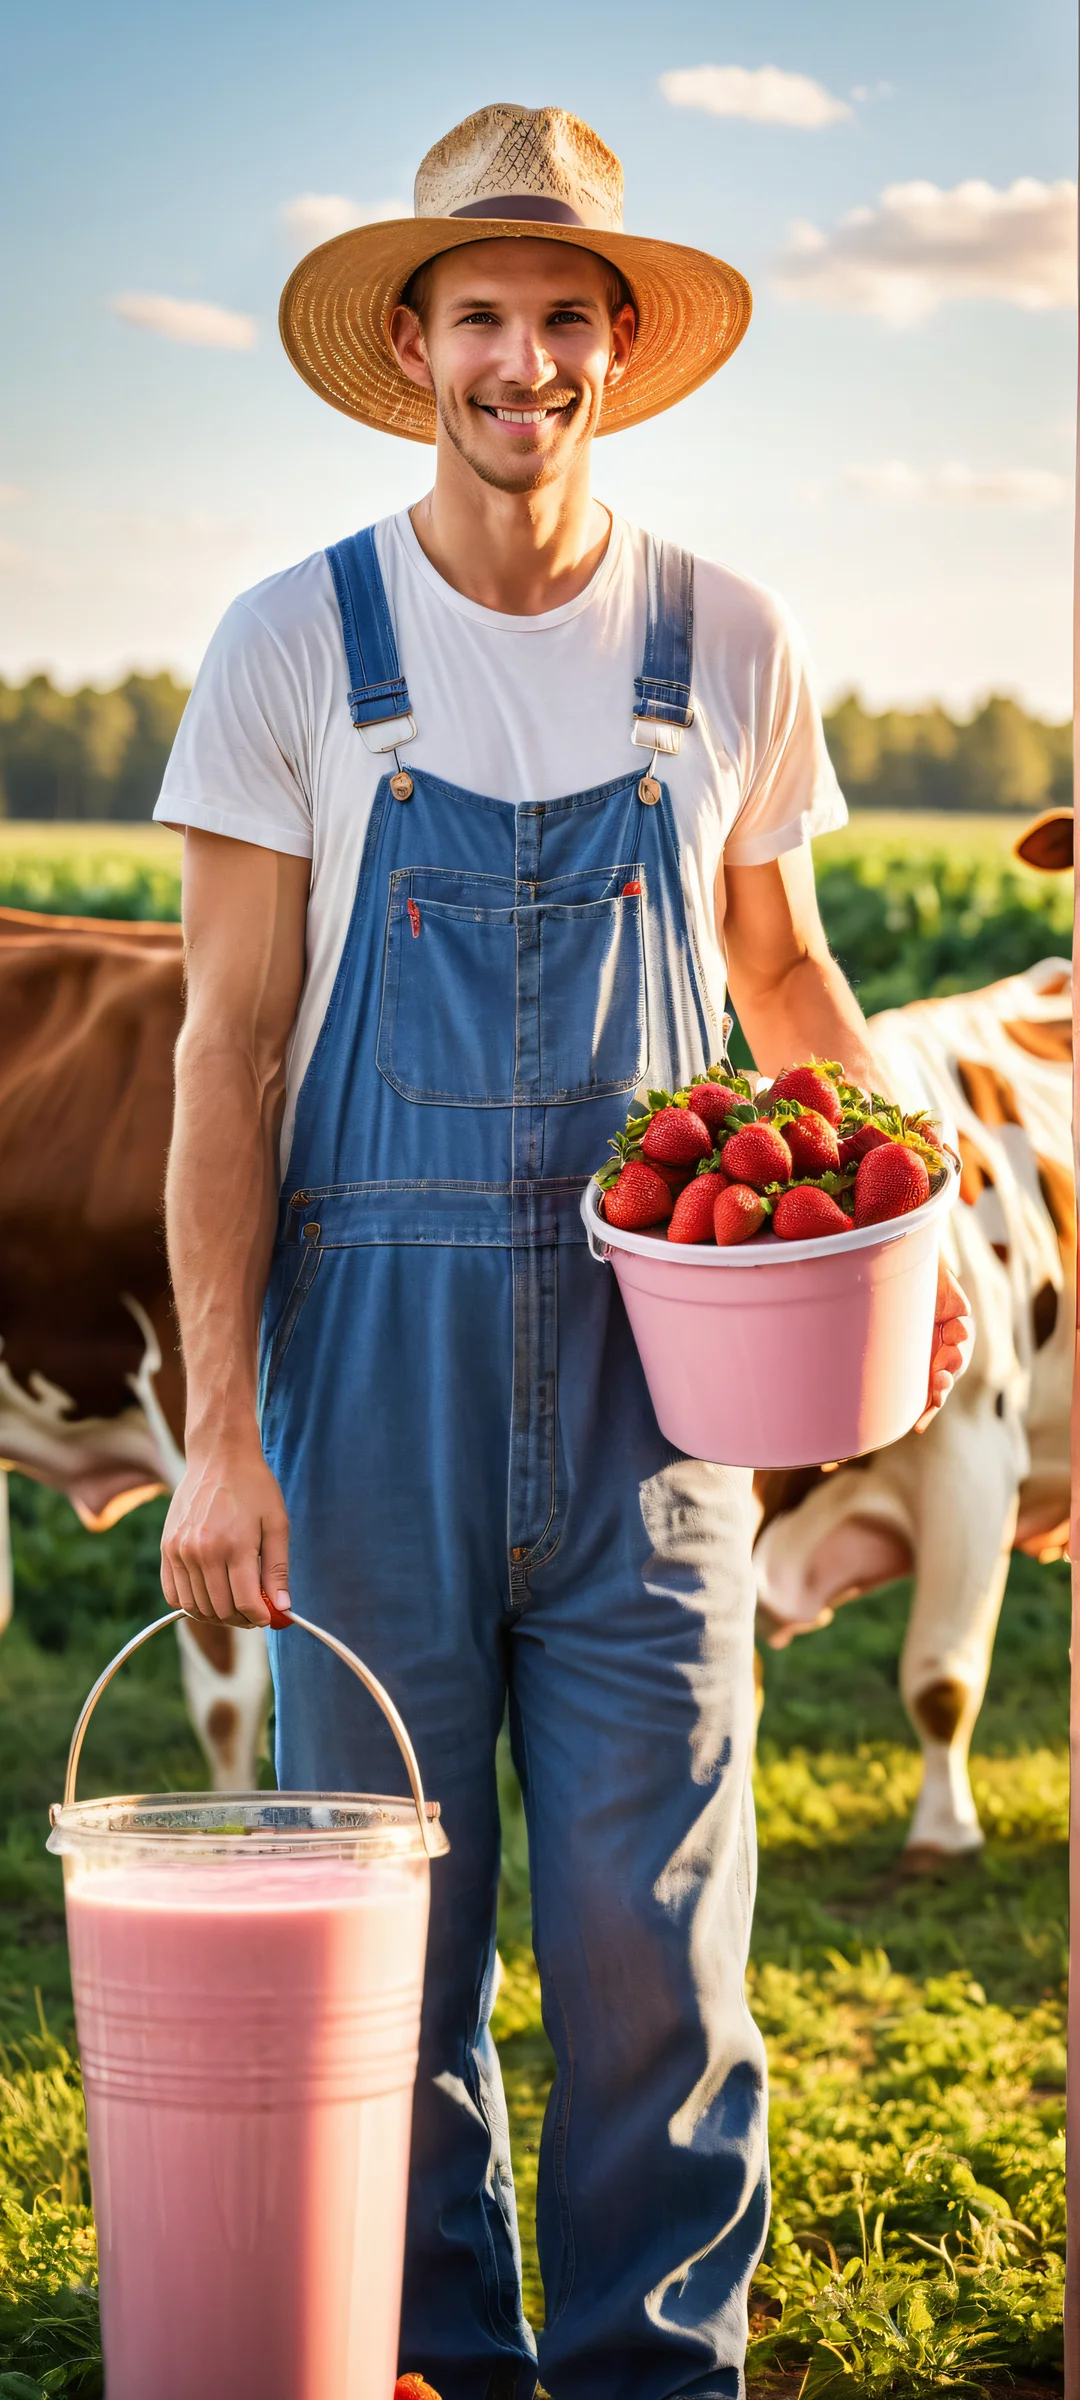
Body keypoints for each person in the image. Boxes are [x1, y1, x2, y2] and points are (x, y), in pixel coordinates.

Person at [157, 103, 971, 2400]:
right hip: (364, 1370)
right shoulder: (295, 645)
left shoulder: (727, 639)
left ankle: (649, 2371)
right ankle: (427, 2360)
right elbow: (226, 1055)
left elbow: (785, 976)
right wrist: (223, 1434)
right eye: (483, 317)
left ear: (620, 345)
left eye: (565, 318)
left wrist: (916, 1208)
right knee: (391, 1939)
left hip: (659, 1390)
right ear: (415, 343)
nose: (525, 361)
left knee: (655, 1943)